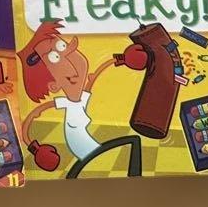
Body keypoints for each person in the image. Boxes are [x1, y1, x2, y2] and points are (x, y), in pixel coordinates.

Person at [18, 20, 143, 178]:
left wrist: (122, 59)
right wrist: (35, 149)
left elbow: (93, 79)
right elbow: (32, 117)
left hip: (93, 152)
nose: (73, 65)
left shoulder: (79, 98)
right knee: (134, 141)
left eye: (63, 47)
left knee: (133, 143)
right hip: (89, 156)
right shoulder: (67, 103)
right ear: (54, 86)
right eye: (55, 58)